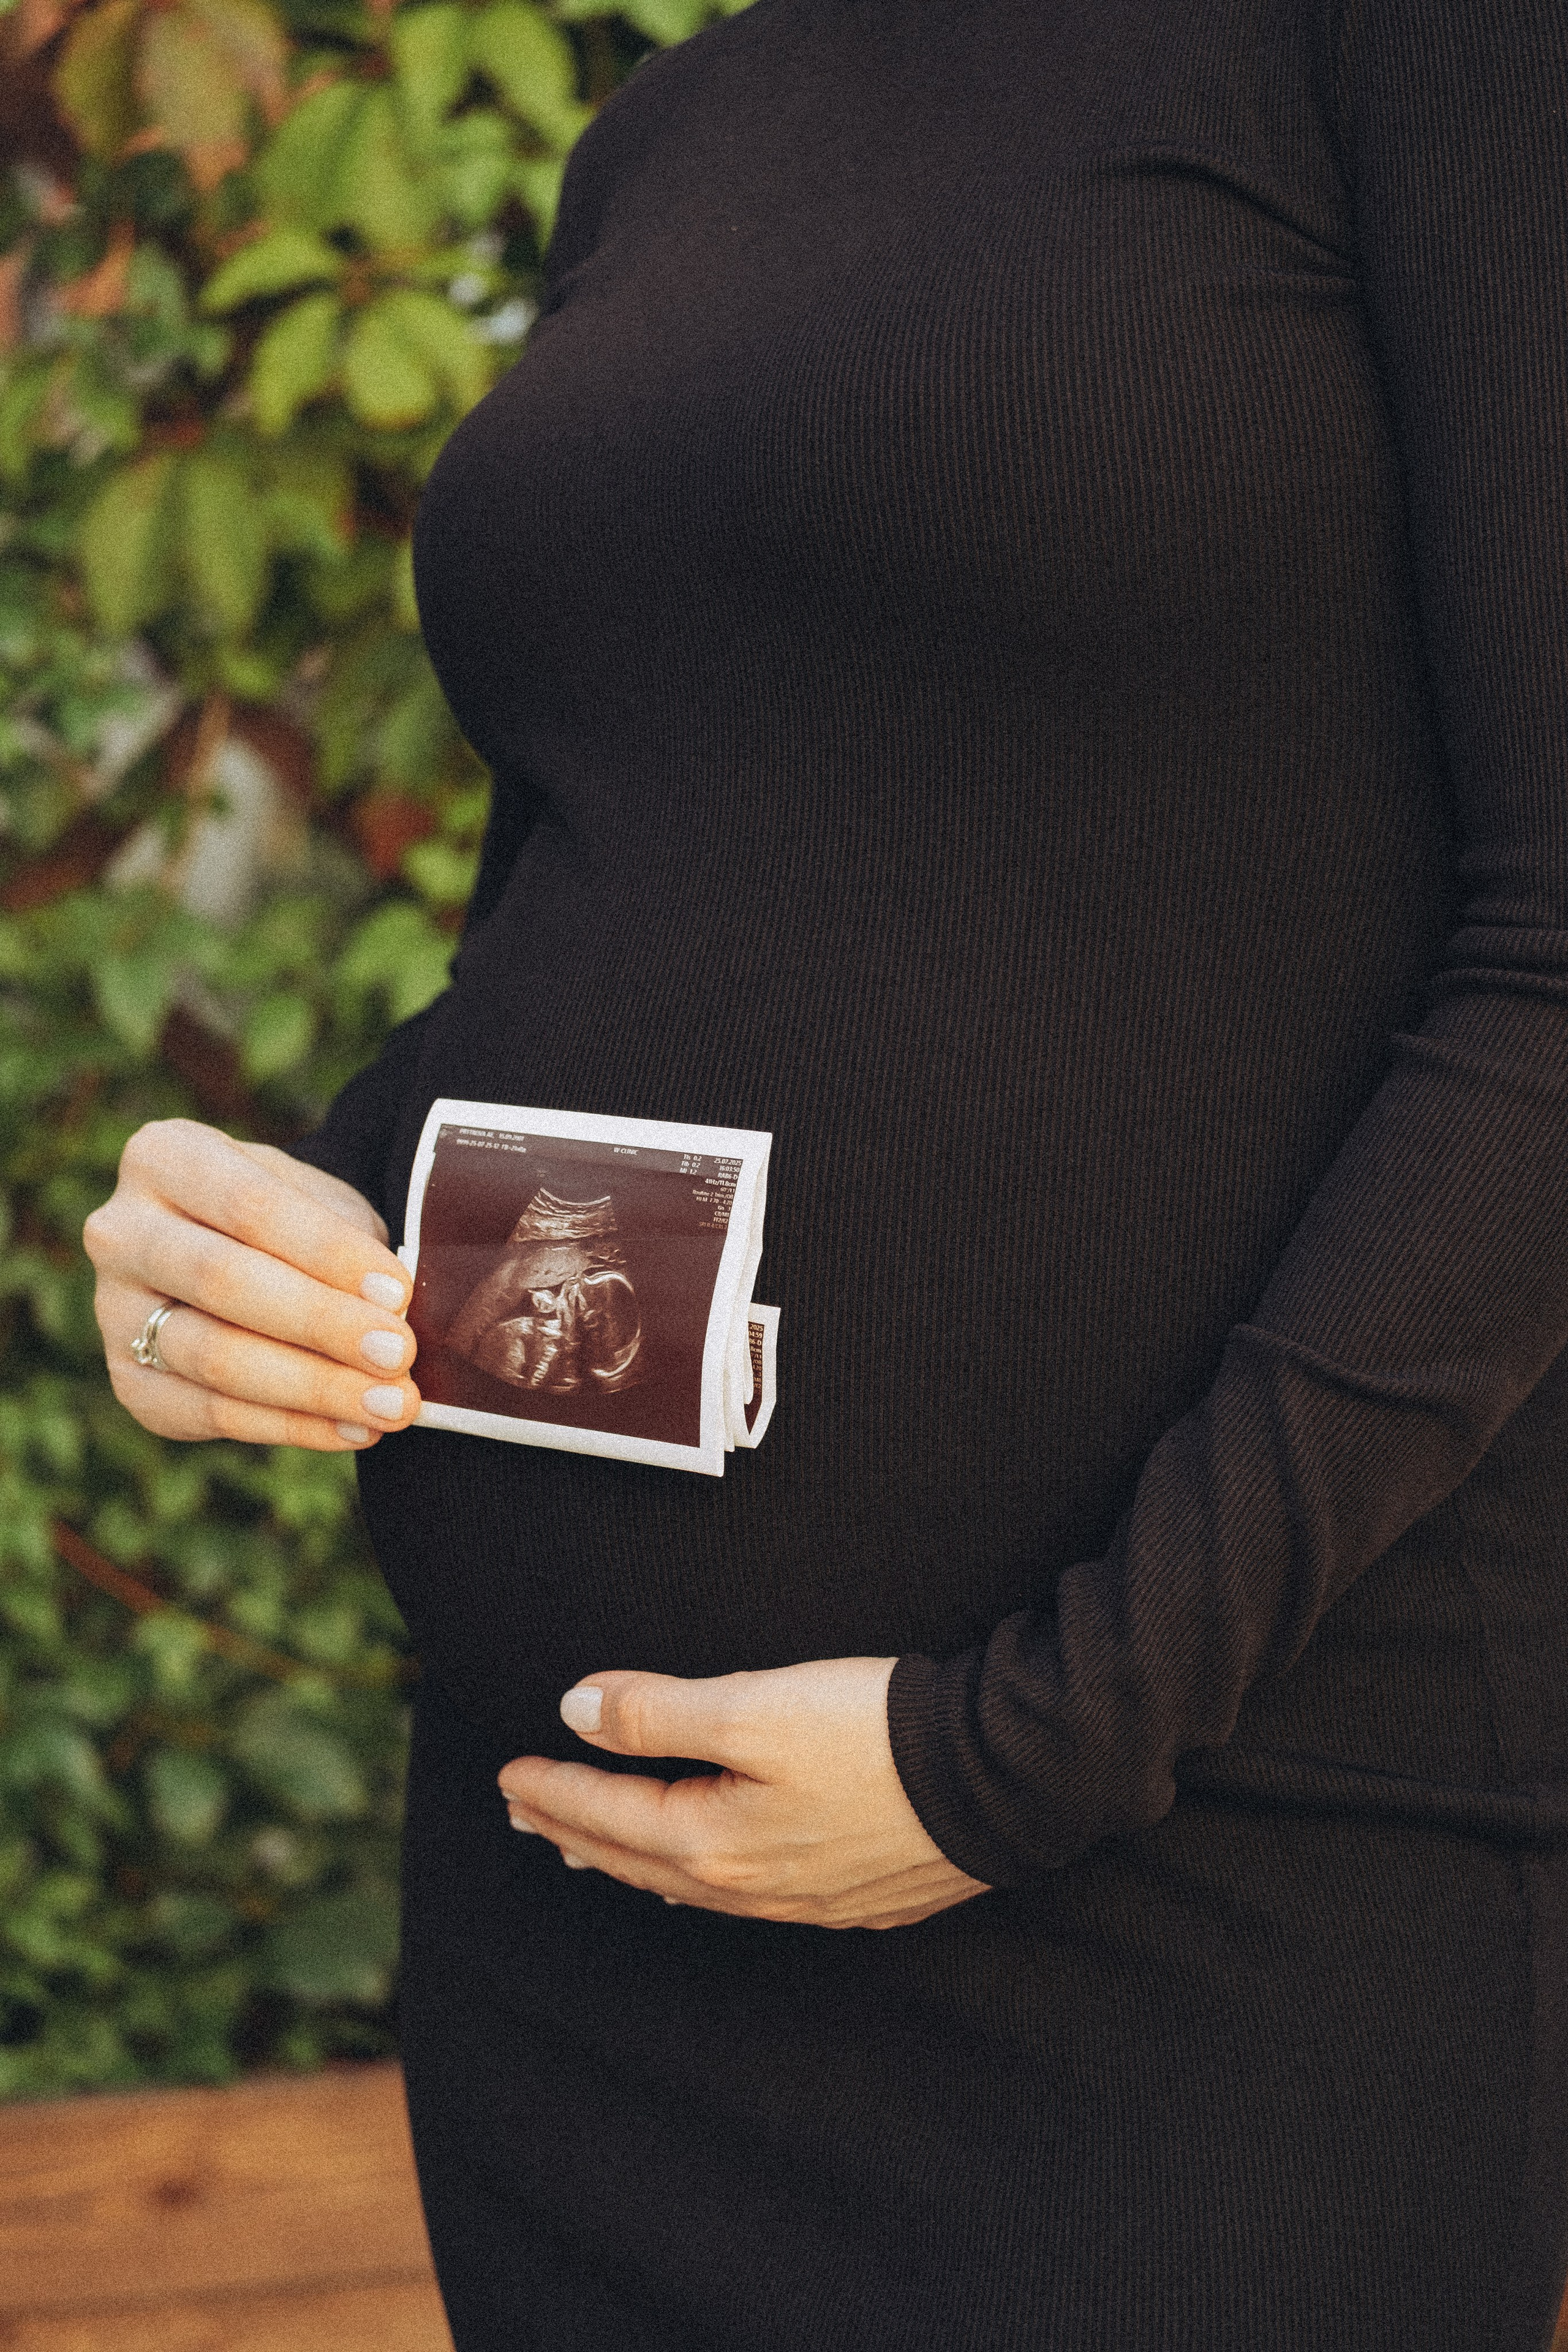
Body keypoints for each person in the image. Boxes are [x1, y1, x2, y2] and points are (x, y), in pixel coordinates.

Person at [83, 0, 1568, 2342]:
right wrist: (287, 1224)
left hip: (1209, 1868)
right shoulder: (684, 120)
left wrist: (1024, 1751)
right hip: (575, 1881)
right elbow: (622, 896)